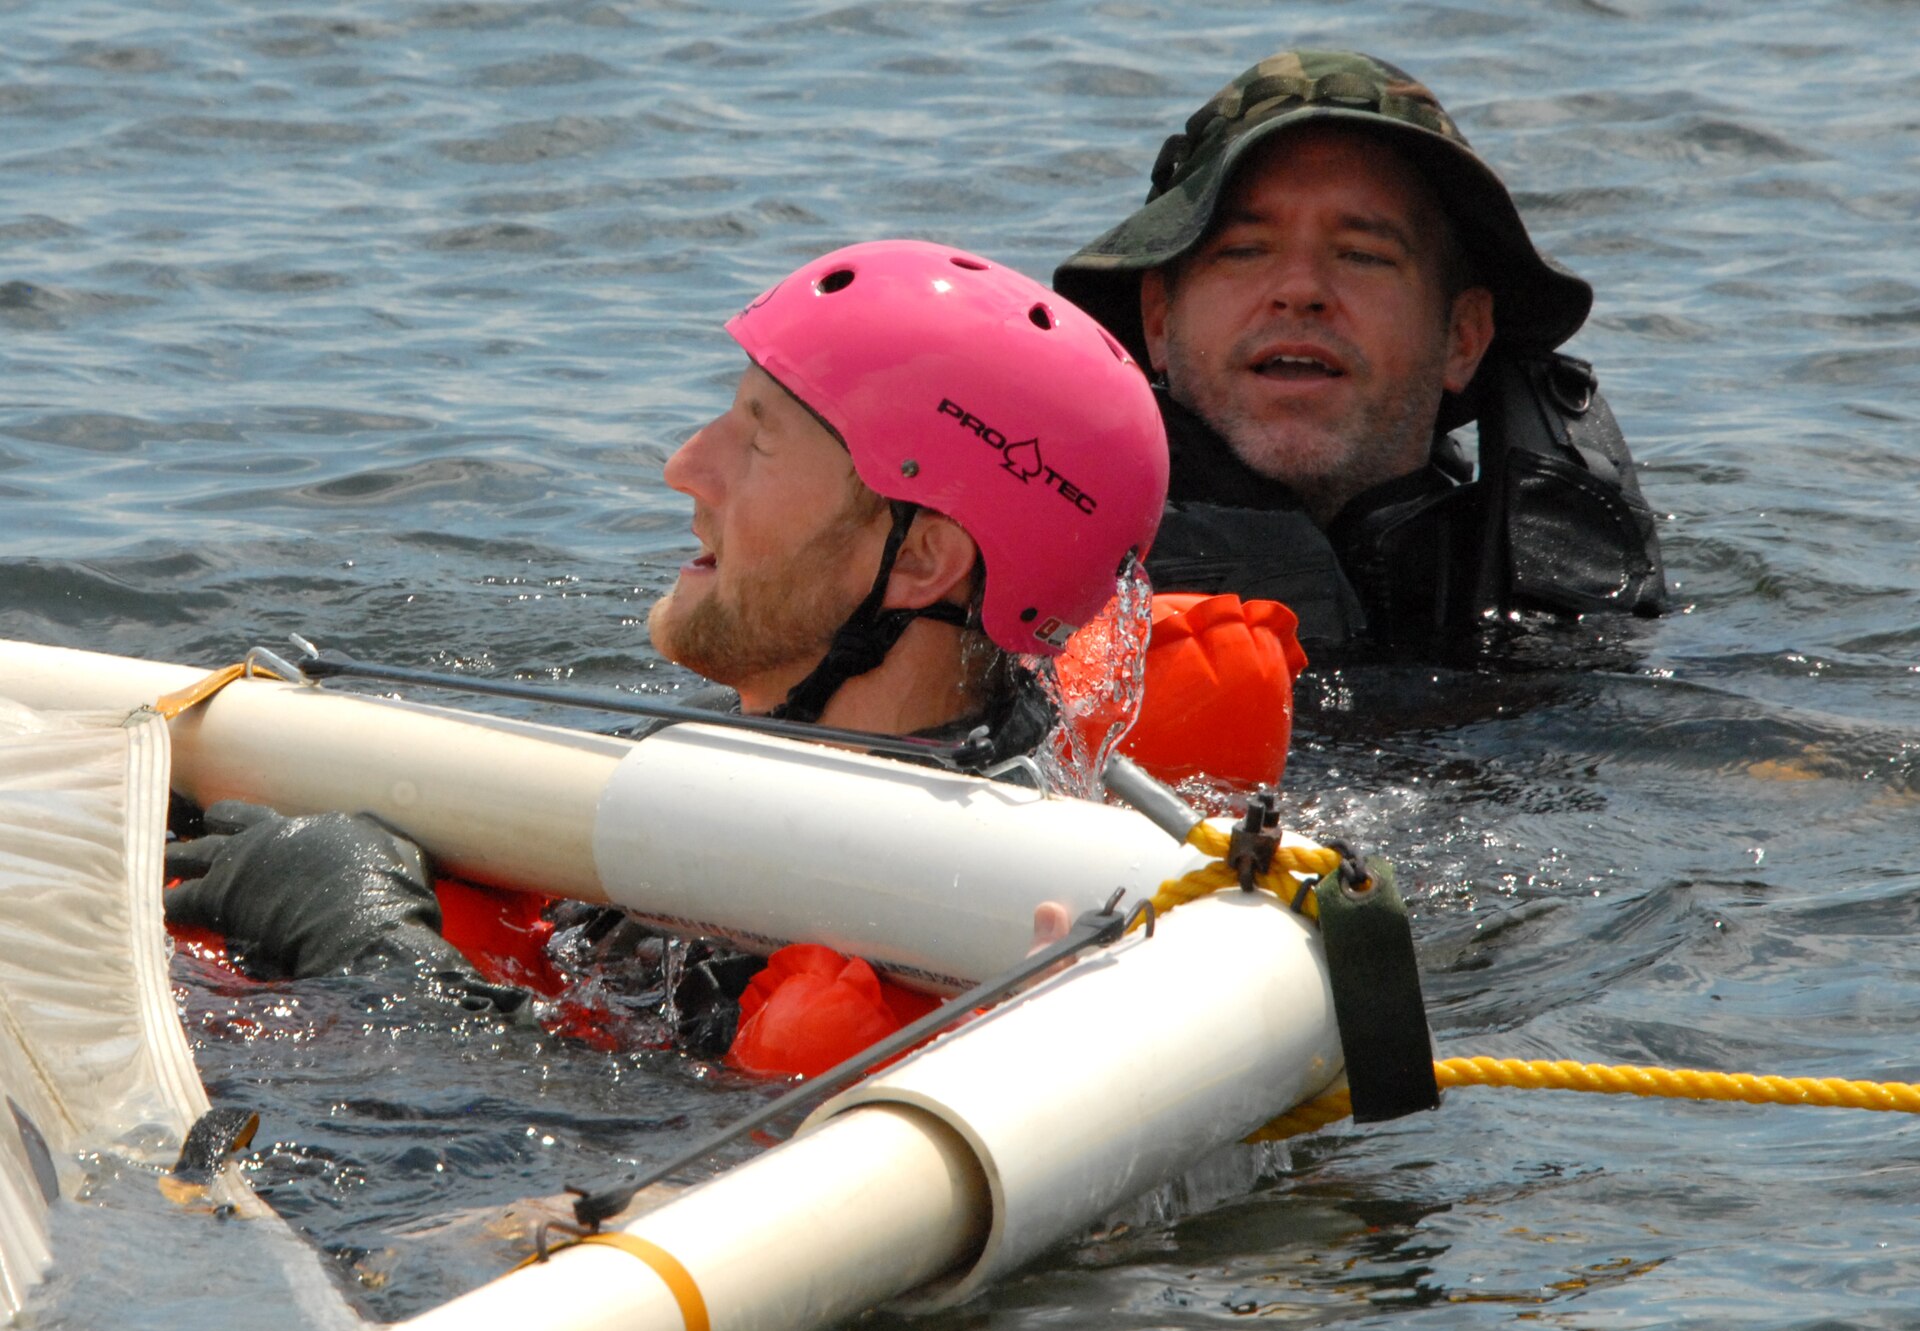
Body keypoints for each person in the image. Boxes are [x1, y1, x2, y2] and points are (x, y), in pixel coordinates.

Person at [163, 240, 1170, 1029]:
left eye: (758, 440)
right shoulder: (975, 754)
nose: (686, 467)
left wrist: (370, 955)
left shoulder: (859, 931)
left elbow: (521, 1186)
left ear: (917, 562)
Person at [1053, 50, 1669, 656]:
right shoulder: (1032, 585)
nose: (1300, 292)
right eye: (1244, 251)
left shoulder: (1565, 609)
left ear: (1463, 337)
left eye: (1362, 255)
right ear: (1158, 320)